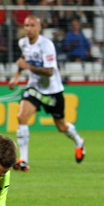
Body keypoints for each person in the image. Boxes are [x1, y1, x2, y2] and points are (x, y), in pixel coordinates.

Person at [8, 15, 85, 172]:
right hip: (35, 88)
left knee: (61, 126)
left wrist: (28, 67)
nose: (28, 29)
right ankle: (23, 160)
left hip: (52, 91)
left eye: (32, 26)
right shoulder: (23, 42)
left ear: (39, 28)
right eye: (26, 25)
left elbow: (49, 71)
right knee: (21, 117)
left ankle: (79, 141)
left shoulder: (46, 45)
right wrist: (17, 77)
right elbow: (24, 58)